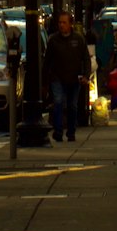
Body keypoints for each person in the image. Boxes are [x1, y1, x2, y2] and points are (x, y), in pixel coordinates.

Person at [42, 10, 89, 142]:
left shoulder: (78, 39)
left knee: (72, 106)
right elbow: (47, 61)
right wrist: (45, 82)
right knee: (58, 102)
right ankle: (58, 131)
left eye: (64, 22)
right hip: (57, 77)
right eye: (60, 22)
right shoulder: (53, 40)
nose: (61, 25)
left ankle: (71, 132)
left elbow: (86, 58)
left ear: (70, 24)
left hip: (74, 78)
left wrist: (86, 75)